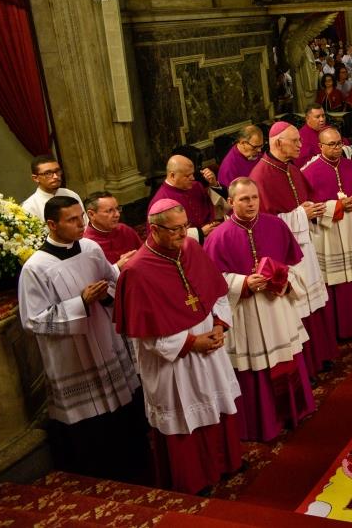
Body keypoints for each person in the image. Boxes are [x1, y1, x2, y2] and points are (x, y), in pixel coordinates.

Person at [114, 199, 243, 494]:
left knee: (216, 402)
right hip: (174, 361)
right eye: (175, 229)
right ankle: (194, 479)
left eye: (185, 226)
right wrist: (192, 342)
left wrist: (220, 326)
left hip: (209, 343)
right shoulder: (136, 272)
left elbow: (217, 293)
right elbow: (144, 335)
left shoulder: (191, 248)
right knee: (185, 415)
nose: (183, 234)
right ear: (154, 229)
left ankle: (226, 463)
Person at [19, 196, 148, 482]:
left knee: (124, 414)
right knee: (95, 430)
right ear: (52, 224)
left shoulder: (90, 248)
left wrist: (106, 294)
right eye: (73, 220)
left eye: (82, 217)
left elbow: (114, 285)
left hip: (103, 337)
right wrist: (80, 302)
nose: (82, 224)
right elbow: (33, 320)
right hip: (73, 356)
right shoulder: (36, 268)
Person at [203, 179, 315, 442]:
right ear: (230, 202)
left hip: (277, 307)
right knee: (254, 370)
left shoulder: (275, 225)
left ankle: (294, 412)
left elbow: (297, 265)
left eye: (254, 197)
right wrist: (242, 283)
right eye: (244, 199)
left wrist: (281, 279)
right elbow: (211, 284)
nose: (251, 203)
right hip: (246, 312)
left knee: (287, 359)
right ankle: (262, 424)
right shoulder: (218, 237)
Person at [249, 122, 336, 372]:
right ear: (277, 143)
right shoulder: (260, 177)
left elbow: (305, 200)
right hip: (283, 256)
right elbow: (262, 226)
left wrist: (312, 210)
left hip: (304, 247)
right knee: (296, 308)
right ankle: (305, 366)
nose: (301, 145)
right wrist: (300, 214)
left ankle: (320, 354)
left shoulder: (292, 168)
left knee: (313, 302)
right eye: (295, 141)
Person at [302, 127, 352, 337]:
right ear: (320, 147)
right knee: (336, 282)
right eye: (332, 144)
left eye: (339, 144)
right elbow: (308, 208)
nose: (337, 148)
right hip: (330, 235)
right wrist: (335, 206)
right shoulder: (309, 173)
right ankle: (341, 328)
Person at [150, 155, 221, 242]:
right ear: (172, 175)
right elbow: (162, 237)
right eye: (187, 176)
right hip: (186, 246)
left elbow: (217, 208)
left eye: (192, 174)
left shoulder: (196, 186)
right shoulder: (160, 201)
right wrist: (200, 233)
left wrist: (213, 184)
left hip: (212, 235)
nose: (193, 178)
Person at [82, 191, 142, 266]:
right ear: (91, 214)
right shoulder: (86, 245)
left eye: (117, 208)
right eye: (110, 211)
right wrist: (118, 267)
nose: (117, 214)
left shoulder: (124, 229)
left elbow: (144, 253)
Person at [21, 155, 84, 222]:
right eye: (48, 173)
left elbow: (85, 223)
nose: (55, 176)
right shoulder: (29, 207)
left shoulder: (71, 194)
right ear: (35, 178)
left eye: (57, 171)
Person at [296, 103, 330, 168]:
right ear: (307, 119)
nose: (322, 119)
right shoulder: (301, 136)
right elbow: (302, 163)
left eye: (323, 116)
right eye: (317, 117)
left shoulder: (328, 130)